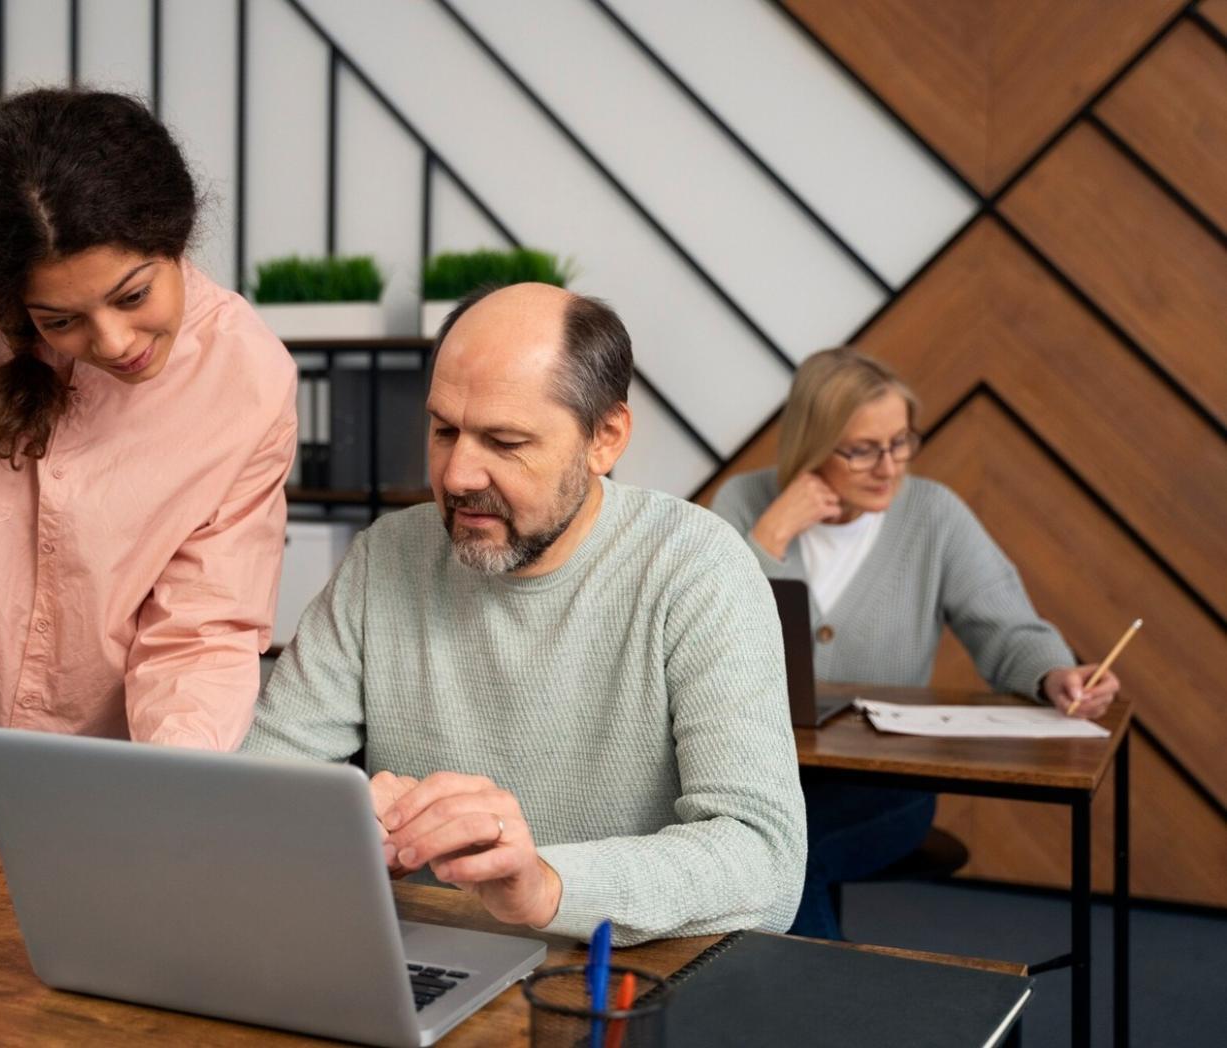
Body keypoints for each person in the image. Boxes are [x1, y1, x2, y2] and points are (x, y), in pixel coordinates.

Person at [0, 89, 297, 903]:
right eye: (60, 321)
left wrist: (169, 796)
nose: (113, 343)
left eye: (133, 295)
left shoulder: (248, 379)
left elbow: (201, 627)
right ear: (11, 303)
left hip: (115, 770)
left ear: (174, 237)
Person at [242, 283, 805, 947]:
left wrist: (546, 887)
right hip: (419, 957)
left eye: (504, 442)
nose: (455, 475)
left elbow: (765, 866)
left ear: (606, 438)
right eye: (444, 430)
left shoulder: (697, 567)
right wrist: (328, 820)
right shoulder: (386, 558)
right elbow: (259, 790)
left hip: (616, 984)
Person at [711, 346, 1119, 940]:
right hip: (762, 771)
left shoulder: (934, 516)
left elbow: (1003, 624)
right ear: (812, 442)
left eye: (900, 442)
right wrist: (769, 536)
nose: (889, 467)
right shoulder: (744, 504)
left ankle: (836, 1025)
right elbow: (705, 631)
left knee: (787, 857)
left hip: (887, 783)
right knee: (748, 853)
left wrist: (1054, 672)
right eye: (862, 450)